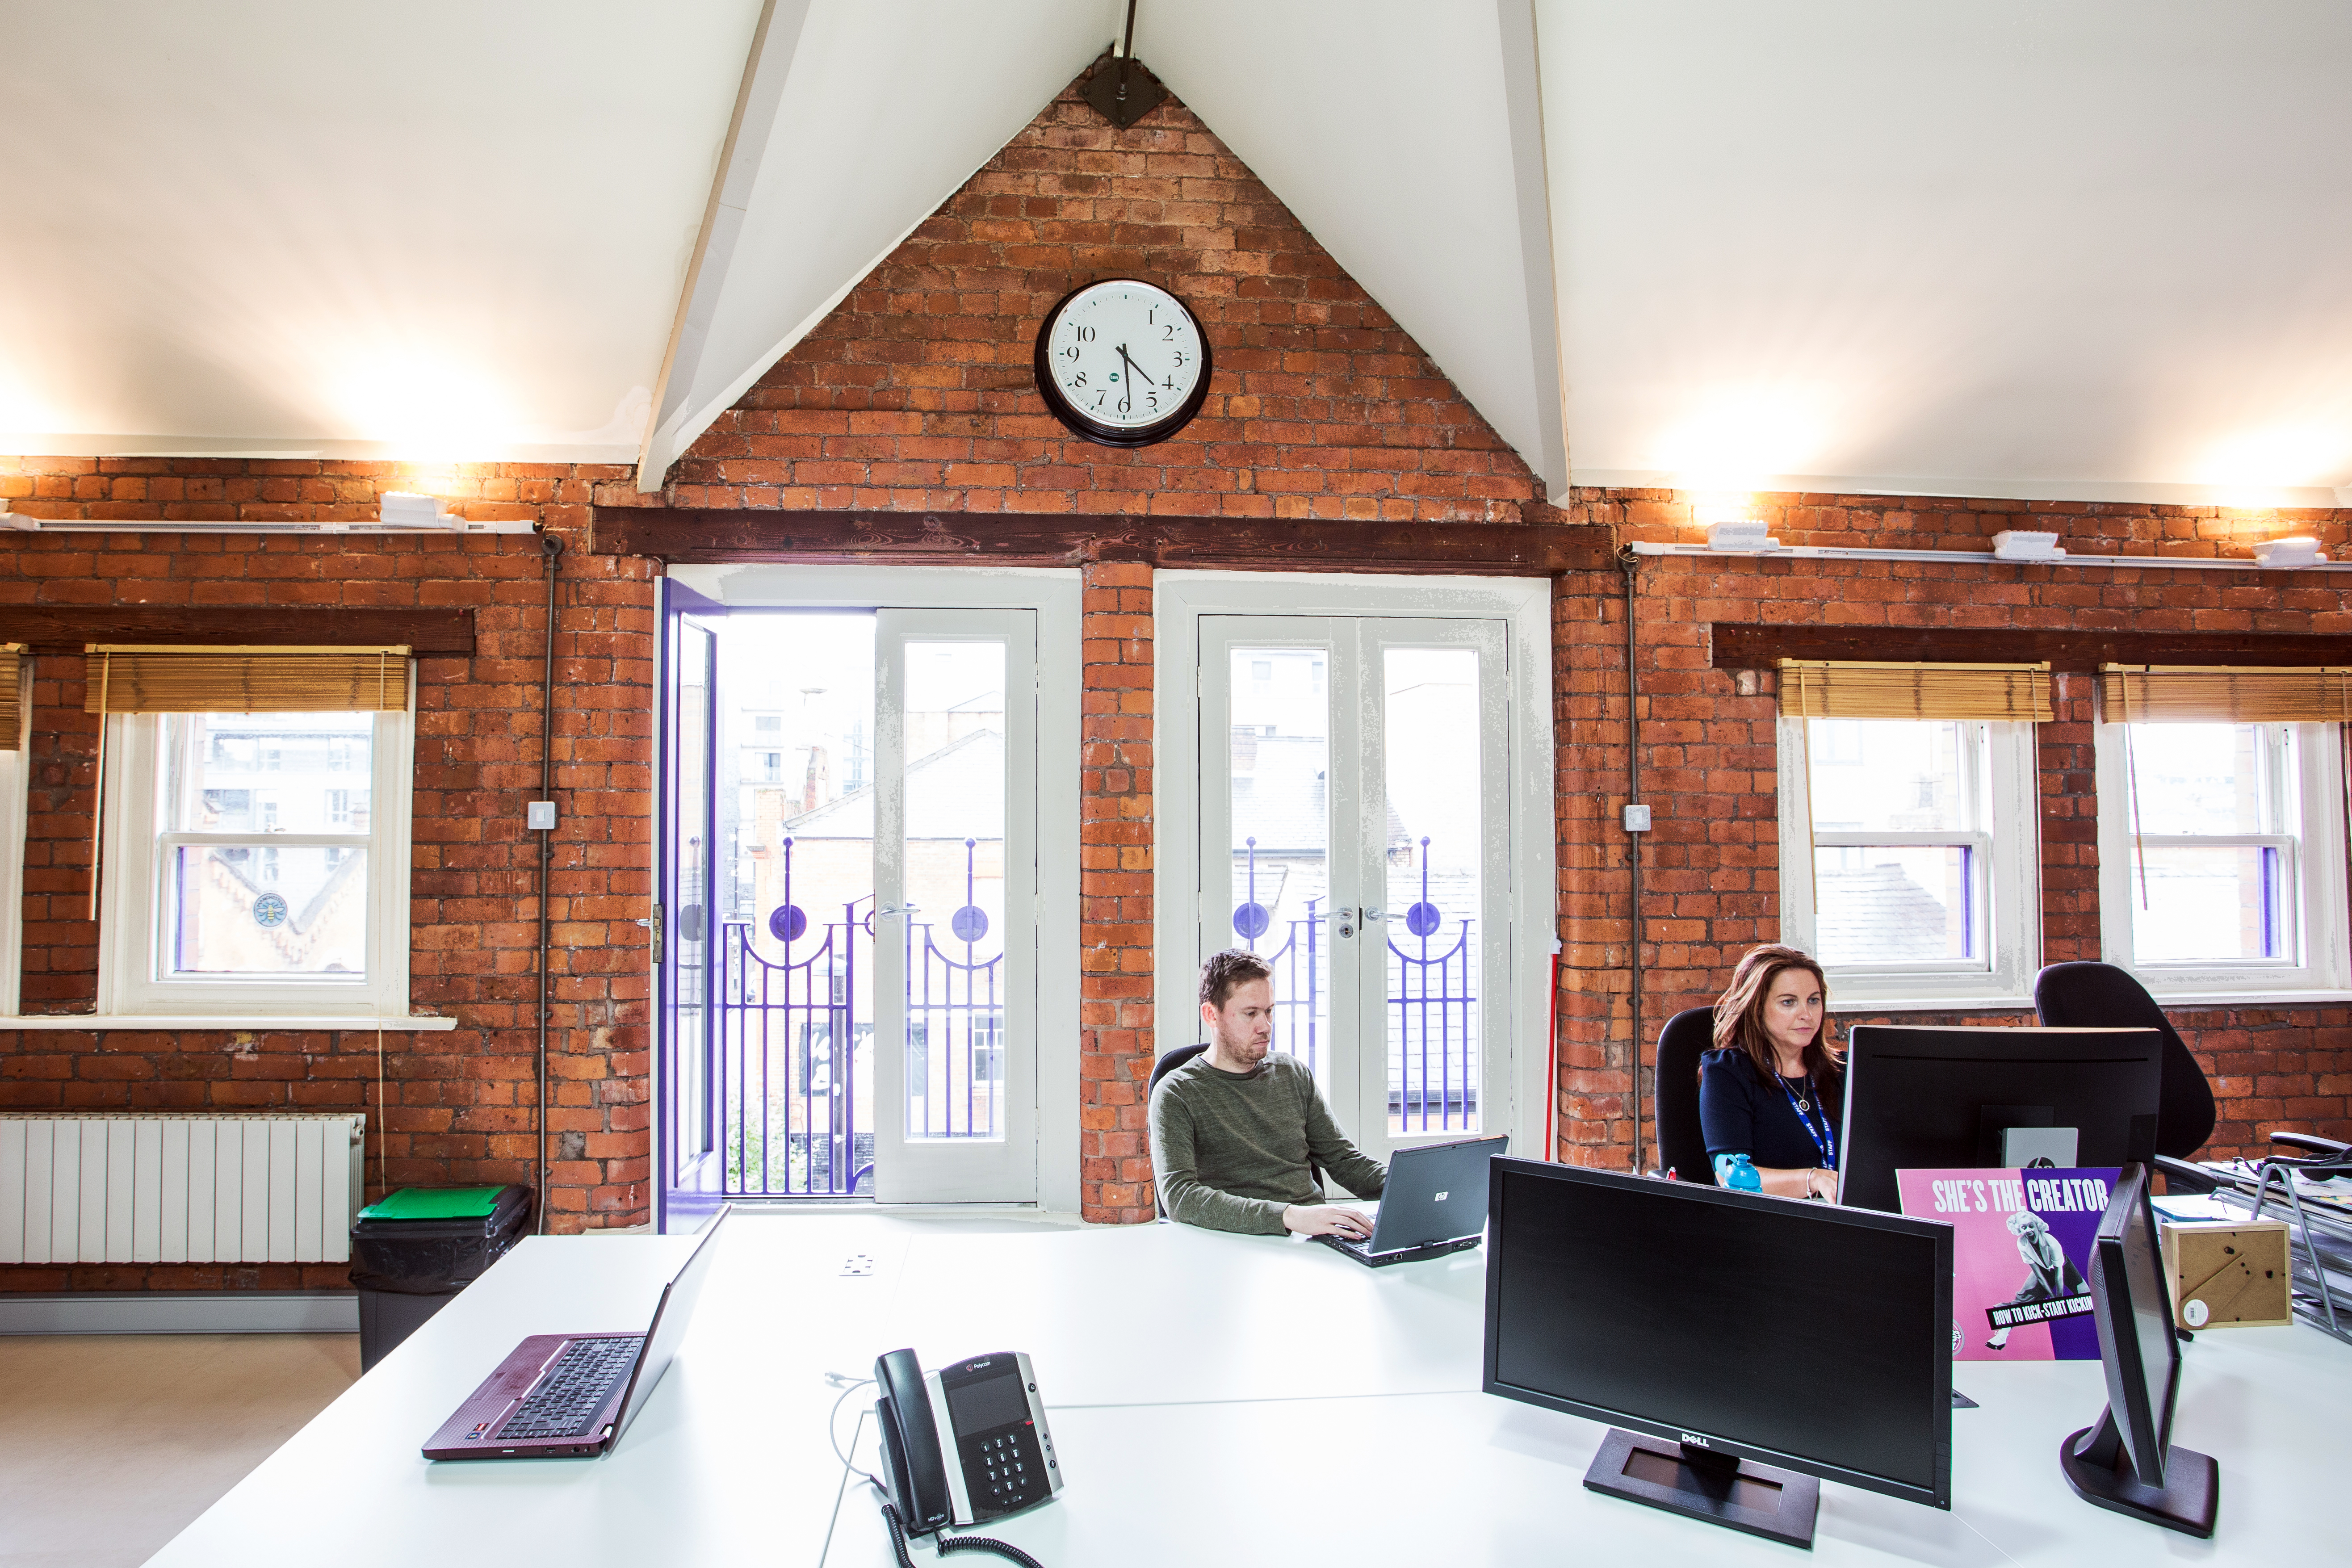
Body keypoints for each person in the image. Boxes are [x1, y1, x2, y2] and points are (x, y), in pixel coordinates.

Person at [1149, 949, 1387, 1237]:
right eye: (1250, 1014)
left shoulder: (1292, 1073)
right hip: (1236, 1242)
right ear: (1211, 1014)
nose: (1265, 1026)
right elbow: (1181, 1198)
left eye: (1269, 1011)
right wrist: (1289, 1216)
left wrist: (1412, 1186)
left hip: (1314, 1239)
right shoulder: (1177, 1092)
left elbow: (1343, 1160)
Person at [1698, 943, 1841, 1201]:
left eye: (1814, 1000)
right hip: (1766, 1225)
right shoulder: (1728, 1073)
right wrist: (1813, 1179)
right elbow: (1730, 1177)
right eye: (1789, 1002)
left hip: (1851, 1221)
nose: (1806, 1014)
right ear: (1757, 1008)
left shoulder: (1842, 1071)